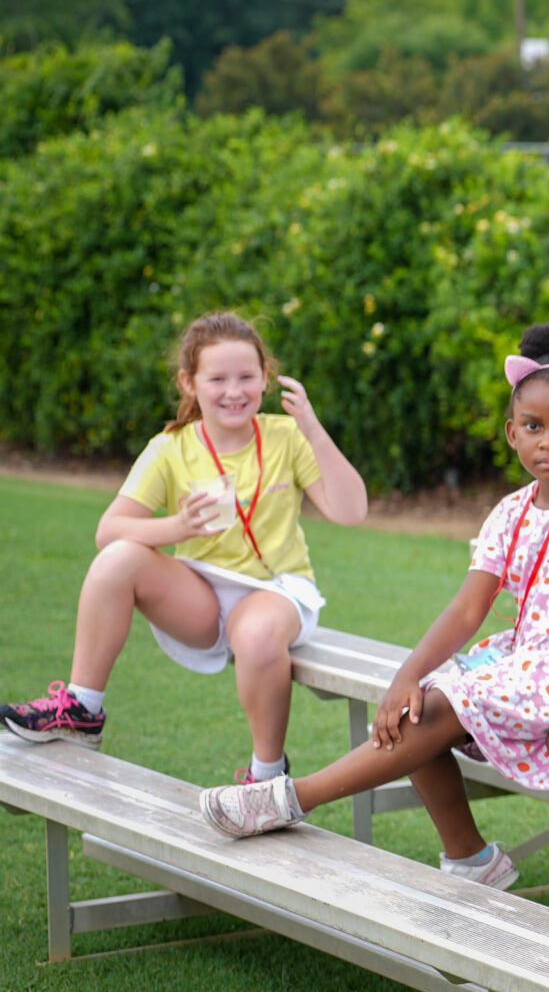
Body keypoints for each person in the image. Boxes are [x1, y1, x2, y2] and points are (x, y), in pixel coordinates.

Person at [196, 321, 549, 892]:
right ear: (511, 433)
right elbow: (468, 611)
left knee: (446, 704)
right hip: (535, 659)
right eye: (534, 426)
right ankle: (470, 858)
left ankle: (290, 800)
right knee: (415, 705)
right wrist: (407, 675)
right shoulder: (511, 511)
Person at [2, 313, 367, 781]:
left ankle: (268, 775)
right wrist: (177, 526)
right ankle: (82, 709)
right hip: (202, 592)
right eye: (217, 378)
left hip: (278, 591)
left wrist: (313, 430)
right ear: (189, 382)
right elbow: (108, 531)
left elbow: (352, 511)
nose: (234, 391)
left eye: (246, 377)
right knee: (118, 560)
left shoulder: (286, 436)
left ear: (265, 379)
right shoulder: (170, 447)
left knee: (255, 633)